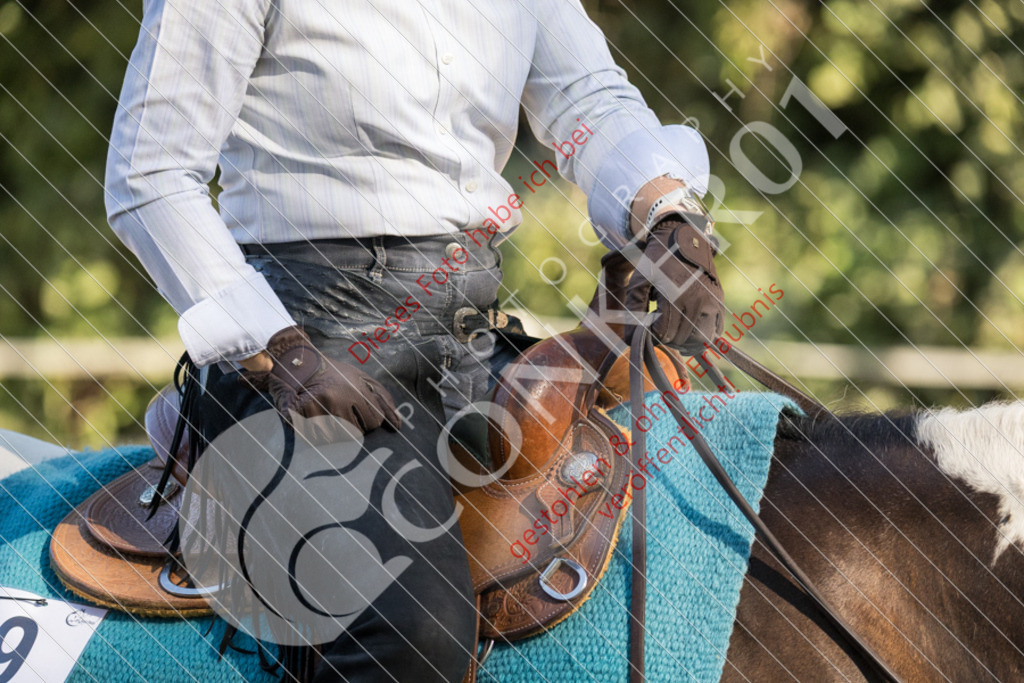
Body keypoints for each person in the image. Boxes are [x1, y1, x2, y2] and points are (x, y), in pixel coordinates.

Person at [104, 0, 723, 680]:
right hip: (303, 345)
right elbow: (150, 176)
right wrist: (282, 349)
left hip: (466, 335)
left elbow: (590, 101)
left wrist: (667, 216)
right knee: (412, 632)